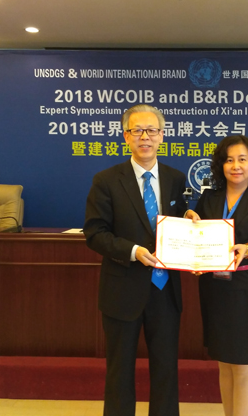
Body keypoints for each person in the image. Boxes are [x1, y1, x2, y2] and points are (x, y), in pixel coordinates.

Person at [83, 104, 187, 416]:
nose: (145, 137)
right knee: (120, 371)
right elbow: (95, 233)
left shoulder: (176, 178)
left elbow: (177, 225)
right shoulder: (106, 180)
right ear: (126, 136)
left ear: (162, 135)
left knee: (166, 370)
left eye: (151, 130)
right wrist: (133, 251)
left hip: (165, 291)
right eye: (137, 130)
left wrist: (190, 221)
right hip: (122, 290)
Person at [185, 135, 248, 416]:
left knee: (243, 365)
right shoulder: (208, 198)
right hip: (215, 288)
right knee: (225, 364)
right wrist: (190, 224)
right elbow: (196, 240)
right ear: (221, 165)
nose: (235, 166)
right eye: (229, 160)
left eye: (242, 159)